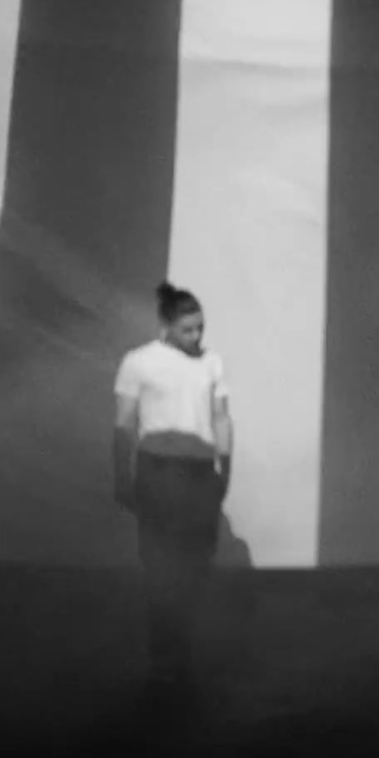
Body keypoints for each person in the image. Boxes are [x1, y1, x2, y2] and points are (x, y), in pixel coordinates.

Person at [112, 281, 234, 698]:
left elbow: (221, 418)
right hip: (158, 473)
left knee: (195, 569)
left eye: (200, 328)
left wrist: (225, 470)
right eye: (188, 329)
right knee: (161, 569)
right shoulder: (138, 362)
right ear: (166, 325)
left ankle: (182, 657)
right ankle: (164, 663)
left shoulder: (212, 363)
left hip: (200, 474)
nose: (197, 337)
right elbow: (124, 425)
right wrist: (121, 477)